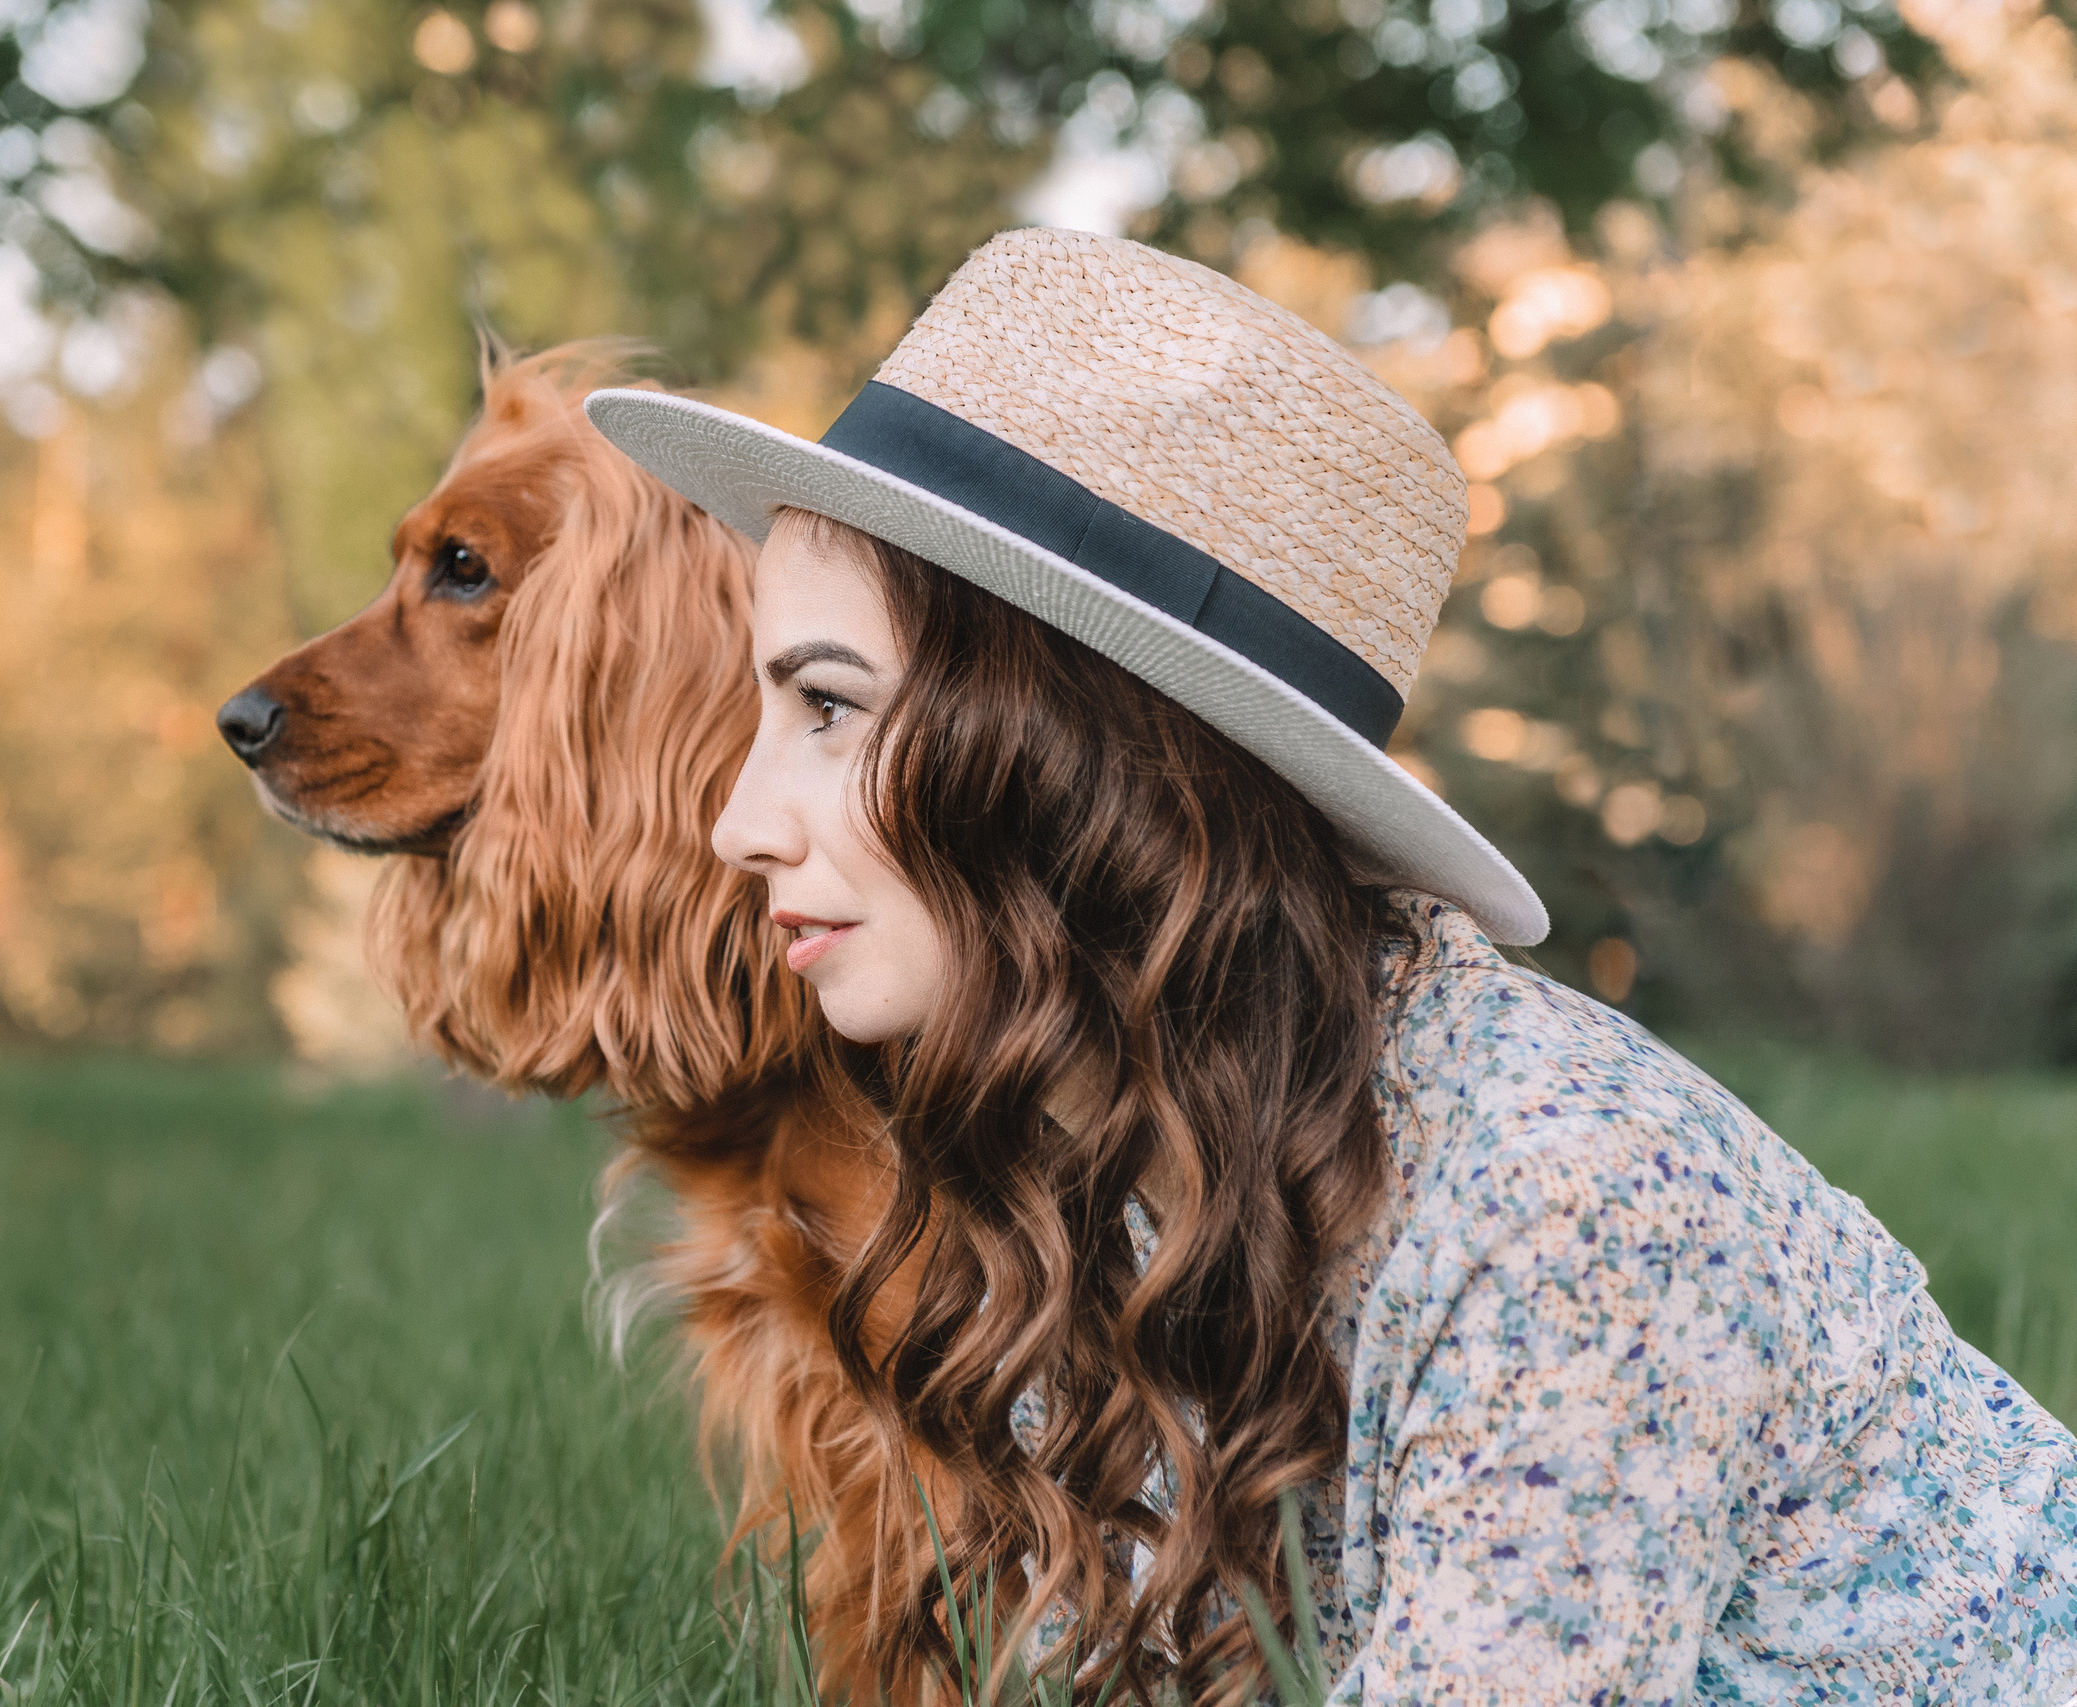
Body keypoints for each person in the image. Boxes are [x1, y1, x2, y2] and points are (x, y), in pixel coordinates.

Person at [583, 229, 2077, 1705]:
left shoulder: (1567, 1202)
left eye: (830, 708)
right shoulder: (1097, 1157)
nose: (736, 823)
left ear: (1071, 762)